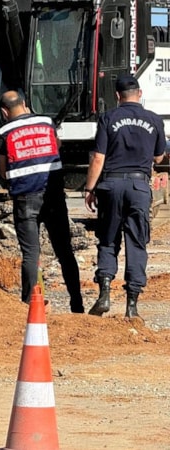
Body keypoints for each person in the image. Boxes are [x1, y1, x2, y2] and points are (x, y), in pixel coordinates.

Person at [84, 74, 165, 320]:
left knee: (108, 240)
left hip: (111, 185)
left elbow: (98, 157)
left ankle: (105, 293)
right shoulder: (154, 120)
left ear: (117, 96)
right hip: (139, 187)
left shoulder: (108, 117)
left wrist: (89, 188)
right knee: (137, 243)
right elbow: (159, 157)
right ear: (139, 94)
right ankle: (132, 304)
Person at [0, 90, 84, 312]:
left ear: (4, 111)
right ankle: (77, 303)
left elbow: (4, 170)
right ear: (25, 104)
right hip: (53, 195)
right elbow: (58, 145)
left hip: (25, 197)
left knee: (30, 254)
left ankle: (29, 305)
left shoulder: (4, 131)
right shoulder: (47, 122)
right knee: (64, 251)